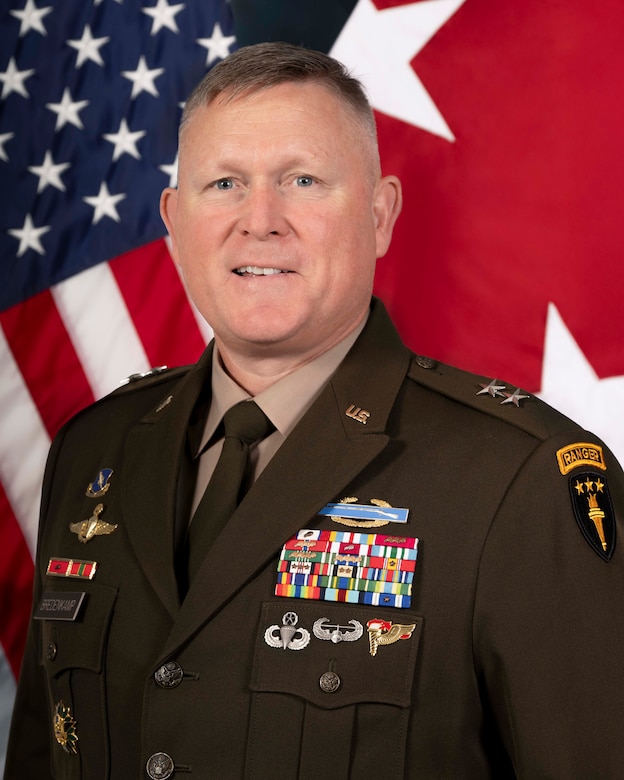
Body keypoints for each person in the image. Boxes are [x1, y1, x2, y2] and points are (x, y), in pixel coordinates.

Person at [5, 42, 624, 780]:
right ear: (173, 224)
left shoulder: (518, 479)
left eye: (303, 179)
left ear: (381, 213)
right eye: (225, 183)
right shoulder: (93, 450)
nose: (259, 221)